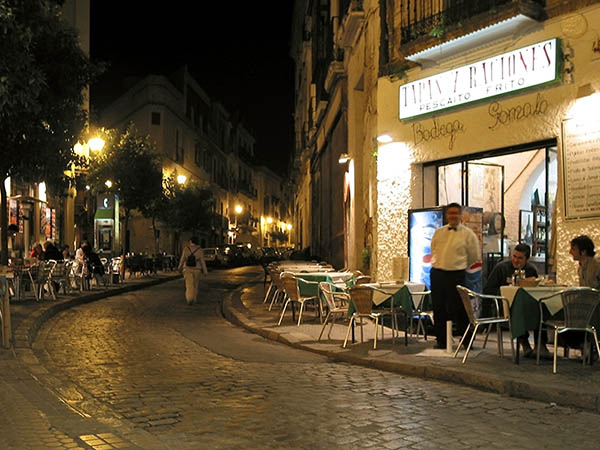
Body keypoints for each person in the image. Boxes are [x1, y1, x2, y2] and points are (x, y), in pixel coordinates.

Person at [484, 243, 549, 357]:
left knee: (541, 308)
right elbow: (488, 289)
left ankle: (541, 344)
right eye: (514, 256)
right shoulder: (501, 268)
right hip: (504, 306)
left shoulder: (530, 270)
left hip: (527, 305)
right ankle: (524, 343)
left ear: (527, 259)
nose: (516, 260)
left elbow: (536, 289)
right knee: (518, 310)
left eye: (520, 258)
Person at [430, 203, 480, 349]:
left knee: (460, 308)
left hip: (456, 274)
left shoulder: (468, 234)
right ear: (447, 216)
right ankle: (441, 340)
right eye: (450, 213)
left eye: (455, 213)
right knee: (439, 308)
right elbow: (433, 249)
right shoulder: (438, 232)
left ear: (460, 216)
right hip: (438, 273)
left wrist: (460, 266)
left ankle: (466, 340)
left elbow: (474, 256)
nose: (452, 216)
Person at [178, 236, 208, 305]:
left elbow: (182, 260)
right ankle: (194, 298)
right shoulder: (200, 250)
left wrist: (179, 267)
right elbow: (202, 261)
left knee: (189, 284)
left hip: (187, 269)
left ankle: (189, 298)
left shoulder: (186, 249)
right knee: (195, 285)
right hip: (197, 269)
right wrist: (205, 271)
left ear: (190, 241)